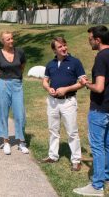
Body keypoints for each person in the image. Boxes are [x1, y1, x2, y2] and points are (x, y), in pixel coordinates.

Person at [74, 25, 109, 197]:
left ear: (98, 40)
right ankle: (106, 175)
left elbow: (100, 87)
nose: (89, 42)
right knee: (107, 145)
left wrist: (85, 83)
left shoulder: (101, 57)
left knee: (98, 147)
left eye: (90, 39)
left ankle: (97, 186)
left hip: (100, 109)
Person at [41, 37, 85, 172]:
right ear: (54, 50)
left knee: (72, 132)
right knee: (53, 130)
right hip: (53, 102)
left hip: (68, 102)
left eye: (64, 45)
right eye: (60, 47)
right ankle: (53, 156)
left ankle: (76, 160)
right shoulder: (50, 64)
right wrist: (49, 89)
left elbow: (83, 82)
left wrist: (66, 89)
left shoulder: (75, 62)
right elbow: (45, 81)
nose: (64, 48)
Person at [0, 31, 29, 155]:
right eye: (8, 39)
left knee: (20, 113)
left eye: (12, 38)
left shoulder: (20, 52)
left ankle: (21, 141)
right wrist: (1, 81)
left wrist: (17, 77)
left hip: (17, 84)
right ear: (2, 41)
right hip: (3, 84)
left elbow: (22, 65)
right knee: (3, 113)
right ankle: (6, 141)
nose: (11, 41)